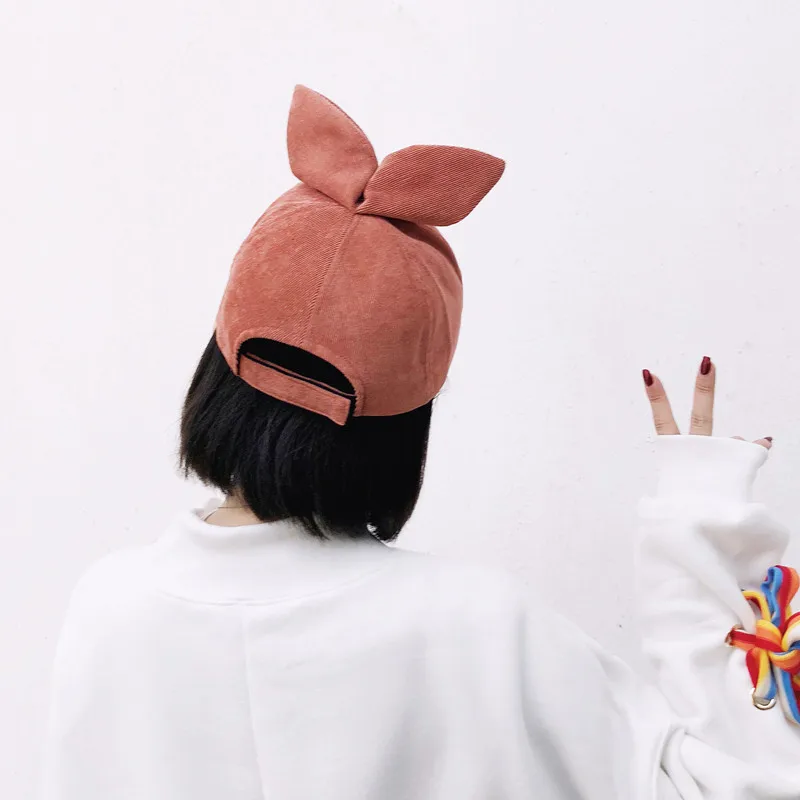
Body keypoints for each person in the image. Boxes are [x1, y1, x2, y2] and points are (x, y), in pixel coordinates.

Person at [40, 87, 800, 799]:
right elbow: (740, 785)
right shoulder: (481, 627)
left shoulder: (108, 612)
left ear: (217, 373)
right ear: (407, 424)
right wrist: (699, 535)